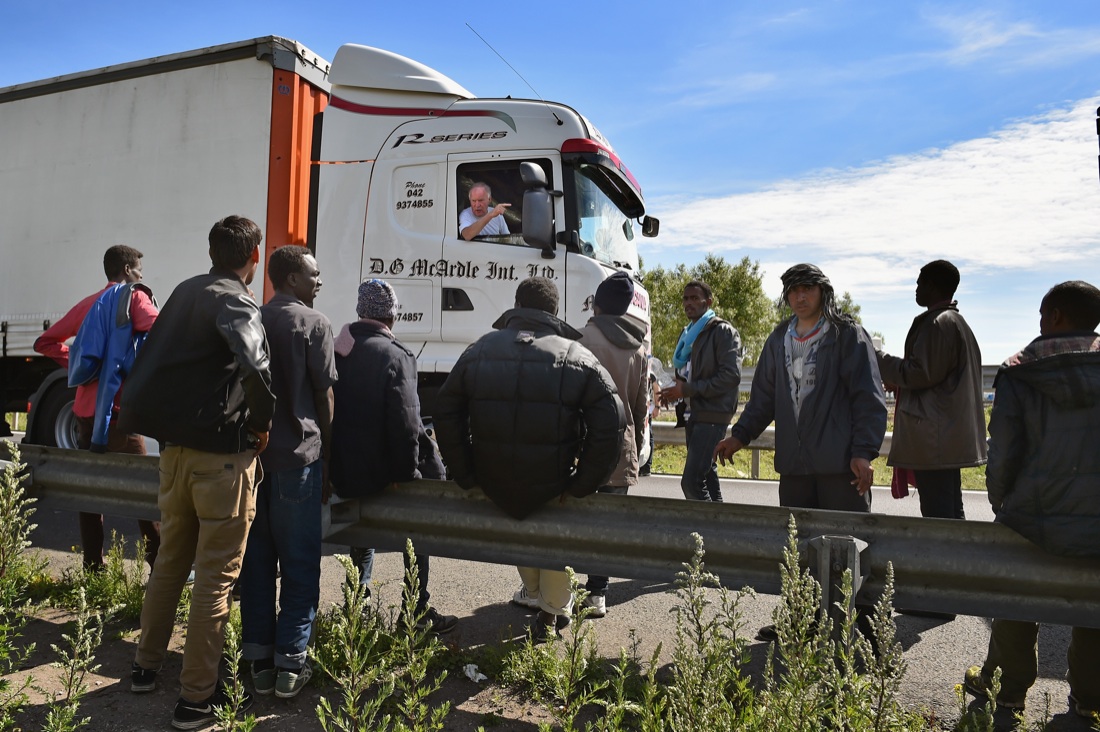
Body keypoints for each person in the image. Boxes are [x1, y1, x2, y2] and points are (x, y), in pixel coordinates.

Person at [121, 215, 275, 730]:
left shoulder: (184, 292)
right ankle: (195, 701)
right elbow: (256, 366)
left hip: (174, 456)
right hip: (221, 460)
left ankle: (144, 668)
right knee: (214, 580)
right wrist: (262, 424)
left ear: (212, 252)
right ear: (254, 255)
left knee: (169, 564)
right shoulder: (236, 299)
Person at [434, 277, 624, 639]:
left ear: (517, 305)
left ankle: (540, 601)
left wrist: (466, 472)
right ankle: (550, 615)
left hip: (495, 482)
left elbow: (445, 411)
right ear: (555, 311)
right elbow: (612, 424)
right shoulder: (576, 356)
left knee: (521, 535)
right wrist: (583, 483)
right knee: (552, 543)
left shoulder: (480, 350)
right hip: (554, 481)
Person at [963, 281, 1100, 719]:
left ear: (1056, 315)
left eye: (1043, 314)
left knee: (1016, 599)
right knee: (1095, 605)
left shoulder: (1021, 371)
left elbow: (1003, 451)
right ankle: (1090, 699)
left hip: (1031, 516)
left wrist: (1002, 504)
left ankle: (1007, 692)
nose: (1040, 323)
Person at [330, 279, 459, 635]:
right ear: (392, 315)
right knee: (417, 525)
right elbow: (406, 425)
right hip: (382, 476)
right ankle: (415, 611)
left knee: (363, 531)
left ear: (360, 311)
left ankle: (357, 607)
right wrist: (408, 475)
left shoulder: (336, 350)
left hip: (343, 473)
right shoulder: (396, 355)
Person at [238, 246, 336, 699]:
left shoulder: (253, 319)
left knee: (256, 565)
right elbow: (324, 398)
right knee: (300, 567)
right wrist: (329, 457)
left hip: (253, 464)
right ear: (293, 278)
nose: (320, 281)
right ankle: (291, 666)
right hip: (299, 461)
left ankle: (258, 662)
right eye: (314, 274)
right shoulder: (315, 323)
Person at [32, 245, 161, 572]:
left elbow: (45, 342)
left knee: (90, 492)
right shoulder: (134, 297)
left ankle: (93, 567)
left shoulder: (89, 304)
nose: (142, 275)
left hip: (84, 416)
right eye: (139, 270)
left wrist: (84, 367)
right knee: (145, 495)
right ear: (128, 270)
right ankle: (160, 567)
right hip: (119, 415)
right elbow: (161, 331)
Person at [877, 260, 986, 520]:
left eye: (920, 283)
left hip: (935, 439)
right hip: (945, 437)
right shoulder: (954, 321)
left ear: (933, 286)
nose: (916, 289)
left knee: (939, 515)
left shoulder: (938, 324)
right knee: (949, 512)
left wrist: (878, 359)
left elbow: (919, 373)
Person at [572, 272, 648, 618]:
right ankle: (597, 593)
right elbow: (640, 407)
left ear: (596, 304)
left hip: (582, 444)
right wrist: (636, 446)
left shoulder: (579, 338)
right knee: (607, 526)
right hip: (622, 445)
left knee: (573, 518)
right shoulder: (638, 348)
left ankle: (558, 592)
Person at [659, 281, 742, 502]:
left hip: (712, 415)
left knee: (692, 482)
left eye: (695, 298)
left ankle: (704, 524)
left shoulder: (723, 331)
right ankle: (719, 521)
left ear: (709, 302)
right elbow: (688, 372)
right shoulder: (687, 334)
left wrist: (686, 389)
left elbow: (730, 377)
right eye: (686, 299)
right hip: (692, 414)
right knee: (707, 476)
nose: (689, 303)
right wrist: (673, 392)